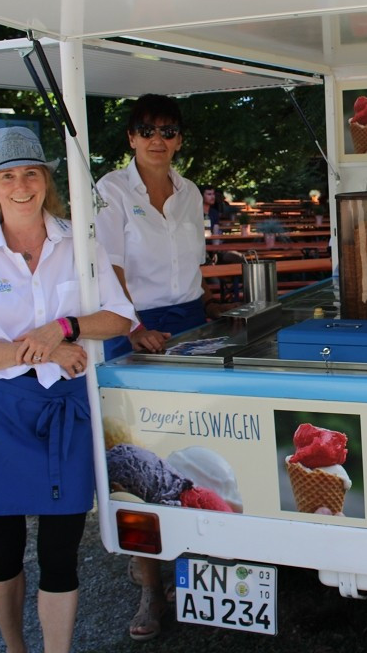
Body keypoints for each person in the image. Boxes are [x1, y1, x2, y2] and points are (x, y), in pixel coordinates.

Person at [0, 127, 135, 653]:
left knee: (60, 551)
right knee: (3, 549)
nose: (20, 185)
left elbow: (119, 318)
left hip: (64, 408)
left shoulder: (82, 243)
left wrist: (65, 329)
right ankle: (14, 647)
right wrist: (45, 350)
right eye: (7, 176)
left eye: (30, 173)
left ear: (45, 181)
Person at [94, 94, 233, 641]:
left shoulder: (190, 191)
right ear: (131, 137)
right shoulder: (110, 191)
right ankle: (151, 587)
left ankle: (191, 560)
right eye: (147, 130)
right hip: (132, 326)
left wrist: (207, 309)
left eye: (169, 130)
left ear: (179, 139)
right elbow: (109, 268)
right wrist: (131, 328)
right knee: (140, 458)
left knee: (190, 448)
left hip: (187, 322)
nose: (159, 139)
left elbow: (188, 265)